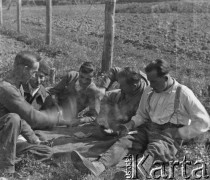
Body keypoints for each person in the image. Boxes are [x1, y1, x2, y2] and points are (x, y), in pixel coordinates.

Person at [70, 59, 210, 178]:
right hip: (148, 128)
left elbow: (204, 122)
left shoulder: (183, 93)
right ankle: (98, 166)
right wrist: (129, 125)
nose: (150, 85)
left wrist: (180, 133)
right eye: (149, 81)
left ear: (165, 78)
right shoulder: (150, 90)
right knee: (125, 141)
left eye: (154, 81)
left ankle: (134, 172)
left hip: (168, 135)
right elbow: (142, 115)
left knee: (156, 149)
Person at [0, 51, 67, 174]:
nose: (33, 77)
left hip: (7, 142)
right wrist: (53, 117)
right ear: (25, 69)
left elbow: (23, 119)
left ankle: (9, 158)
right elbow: (31, 116)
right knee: (12, 118)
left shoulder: (18, 86)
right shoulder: (6, 88)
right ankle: (6, 171)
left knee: (46, 151)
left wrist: (35, 140)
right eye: (34, 72)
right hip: (3, 137)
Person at [97, 66, 148, 133]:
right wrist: (103, 88)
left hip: (133, 110)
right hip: (123, 95)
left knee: (123, 117)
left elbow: (141, 118)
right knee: (105, 96)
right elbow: (114, 71)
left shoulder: (146, 97)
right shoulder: (128, 74)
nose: (120, 87)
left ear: (133, 86)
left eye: (122, 85)